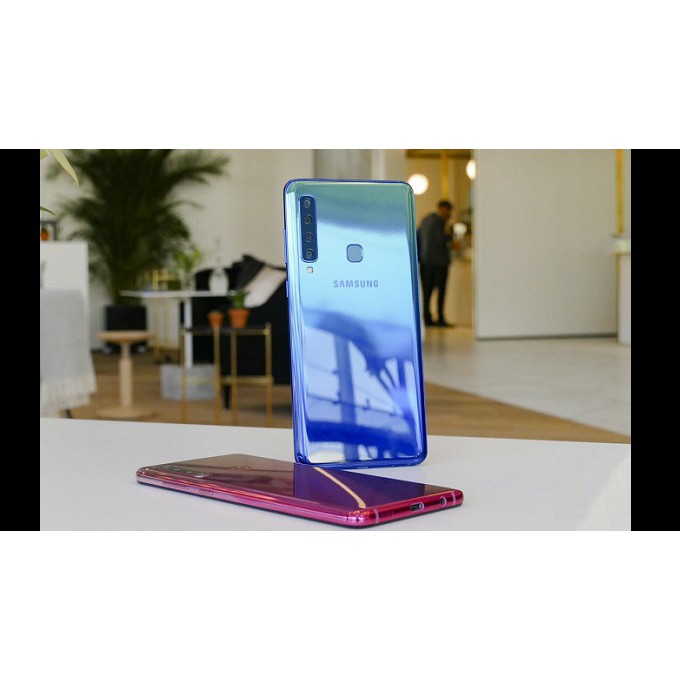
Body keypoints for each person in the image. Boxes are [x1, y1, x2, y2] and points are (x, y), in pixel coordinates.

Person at [417, 199, 455, 327]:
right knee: (440, 292)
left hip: (425, 262)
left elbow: (418, 237)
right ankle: (440, 318)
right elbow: (442, 239)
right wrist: (449, 235)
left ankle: (427, 318)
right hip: (439, 263)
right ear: (443, 209)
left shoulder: (425, 220)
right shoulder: (440, 222)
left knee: (427, 293)